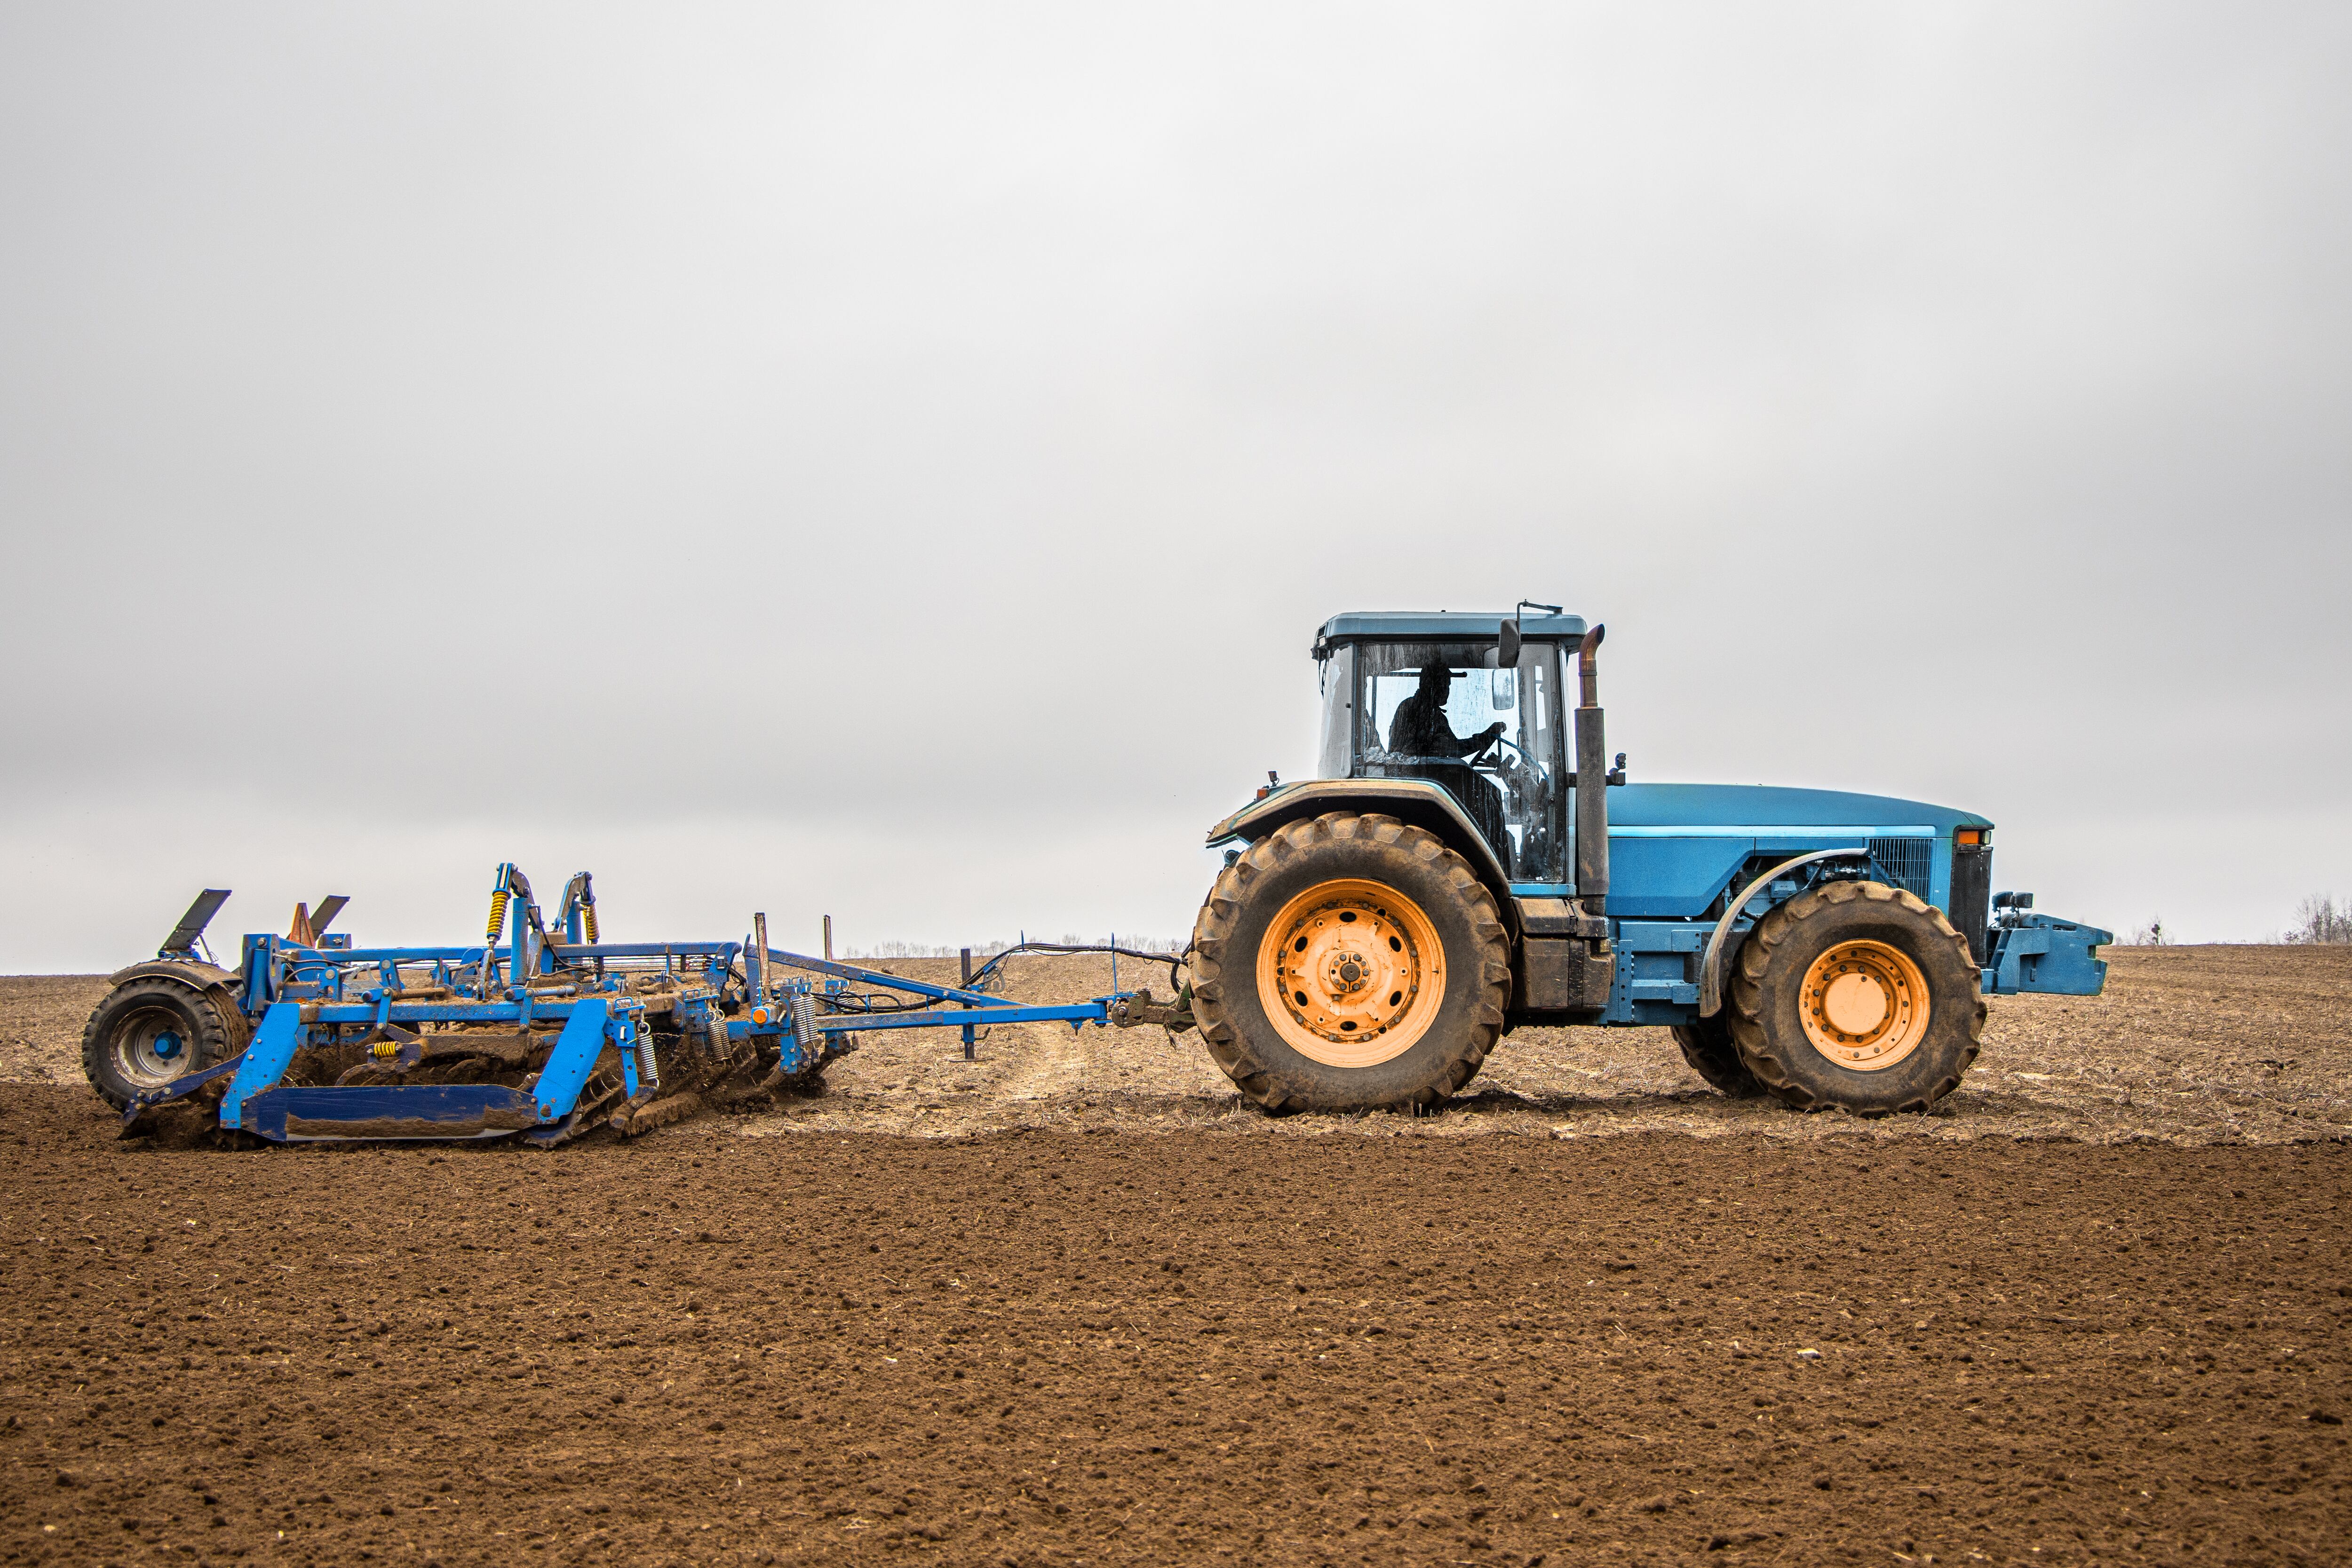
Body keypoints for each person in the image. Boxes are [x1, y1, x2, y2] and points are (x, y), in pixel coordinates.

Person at [1386, 665, 1510, 858]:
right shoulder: (1422, 712)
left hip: (1425, 777)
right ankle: (1492, 857)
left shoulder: (1421, 710)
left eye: (1448, 685)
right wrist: (1487, 736)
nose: (1448, 691)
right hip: (1423, 780)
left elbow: (1447, 750)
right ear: (1433, 686)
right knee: (1489, 795)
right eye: (1446, 685)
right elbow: (1453, 750)